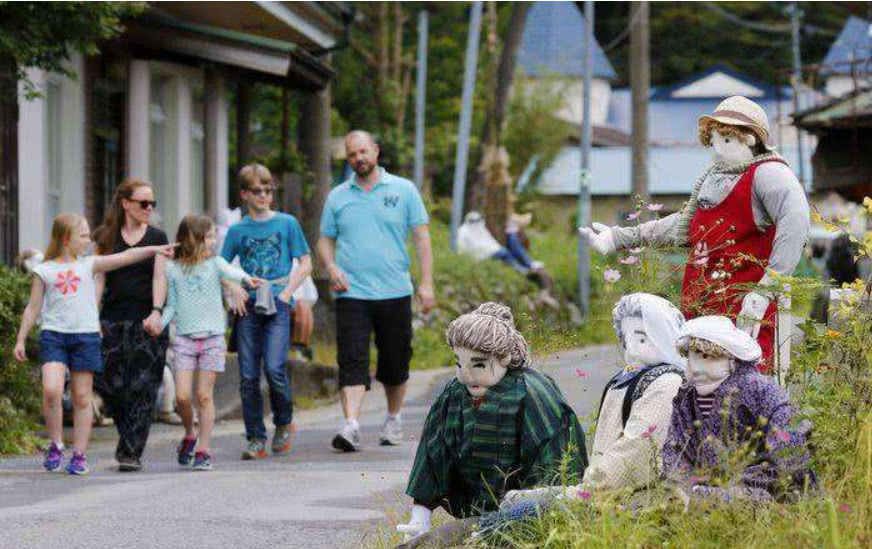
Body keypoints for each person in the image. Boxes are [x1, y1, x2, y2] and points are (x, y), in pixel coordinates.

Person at [579, 96, 810, 372]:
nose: (718, 151)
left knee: (742, 384)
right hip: (701, 303)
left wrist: (769, 285)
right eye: (713, 142)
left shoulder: (767, 174)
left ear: (749, 139)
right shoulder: (716, 180)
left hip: (744, 307)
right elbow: (685, 224)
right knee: (698, 381)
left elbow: (795, 221)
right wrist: (619, 237)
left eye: (726, 141)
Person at [396, 303, 587, 542]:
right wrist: (420, 514)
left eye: (478, 364)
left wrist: (543, 506)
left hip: (528, 515)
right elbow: (433, 451)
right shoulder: (454, 393)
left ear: (504, 357)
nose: (465, 375)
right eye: (458, 364)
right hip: (474, 514)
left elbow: (558, 455)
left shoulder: (531, 392)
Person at [13, 213, 175, 475]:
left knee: (81, 397)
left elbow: (124, 257)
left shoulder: (90, 264)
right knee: (51, 389)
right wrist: (21, 338)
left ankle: (78, 454)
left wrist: (154, 249)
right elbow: (33, 308)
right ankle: (55, 444)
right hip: (54, 335)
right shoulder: (44, 270)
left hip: (85, 337)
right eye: (84, 235)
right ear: (66, 238)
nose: (89, 240)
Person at [318, 130, 435, 451]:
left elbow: (422, 238)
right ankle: (351, 425)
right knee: (351, 359)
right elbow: (325, 239)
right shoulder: (338, 196)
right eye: (352, 154)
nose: (358, 158)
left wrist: (426, 283)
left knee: (395, 362)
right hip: (351, 293)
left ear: (376, 151)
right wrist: (331, 267)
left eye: (363, 151)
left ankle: (393, 418)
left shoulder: (403, 189)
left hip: (395, 291)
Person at [662, 316, 817, 503]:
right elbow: (676, 448)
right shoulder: (686, 398)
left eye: (706, 357)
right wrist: (685, 484)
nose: (694, 369)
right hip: (700, 489)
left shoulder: (760, 390)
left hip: (759, 488)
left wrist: (733, 483)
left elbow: (789, 451)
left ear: (731, 360)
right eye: (691, 358)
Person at [221, 163, 312, 460]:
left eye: (268, 190)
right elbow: (220, 267)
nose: (264, 196)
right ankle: (256, 437)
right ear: (245, 194)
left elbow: (306, 262)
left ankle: (284, 422)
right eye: (257, 191)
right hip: (248, 305)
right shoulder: (237, 230)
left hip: (278, 303)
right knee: (248, 375)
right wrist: (234, 288)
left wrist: (287, 292)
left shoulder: (287, 224)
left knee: (274, 368)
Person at [160, 215, 263, 471]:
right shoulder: (173, 269)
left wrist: (247, 280)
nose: (214, 241)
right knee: (182, 397)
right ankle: (189, 434)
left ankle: (204, 450)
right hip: (184, 337)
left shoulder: (215, 264)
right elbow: (171, 304)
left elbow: (233, 272)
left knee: (204, 396)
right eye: (209, 236)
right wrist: (159, 324)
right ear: (193, 239)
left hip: (212, 338)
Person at [93, 178, 173, 472]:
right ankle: (128, 439)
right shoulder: (106, 236)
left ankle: (130, 452)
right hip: (111, 319)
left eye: (152, 203)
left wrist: (156, 311)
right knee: (109, 384)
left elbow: (159, 277)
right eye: (143, 203)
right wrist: (93, 318)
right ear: (126, 203)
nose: (148, 208)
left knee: (144, 386)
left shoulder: (157, 236)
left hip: (145, 320)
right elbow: (99, 277)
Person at [289, 256, 317, 361]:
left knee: (305, 310)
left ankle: (301, 348)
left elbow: (311, 295)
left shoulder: (298, 263)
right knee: (301, 308)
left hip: (296, 302)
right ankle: (296, 348)